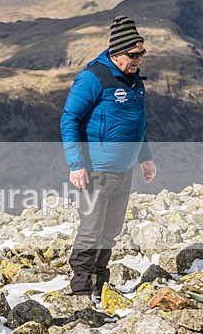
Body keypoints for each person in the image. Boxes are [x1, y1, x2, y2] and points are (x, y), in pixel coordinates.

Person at [61, 15, 157, 298]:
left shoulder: (134, 82)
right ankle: (80, 289)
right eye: (134, 54)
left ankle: (101, 285)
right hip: (96, 171)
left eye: (142, 53)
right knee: (91, 231)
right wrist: (77, 165)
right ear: (117, 53)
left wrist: (145, 158)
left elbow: (138, 124)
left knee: (110, 232)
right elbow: (70, 119)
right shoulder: (93, 78)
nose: (139, 59)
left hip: (123, 171)